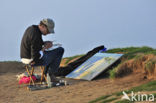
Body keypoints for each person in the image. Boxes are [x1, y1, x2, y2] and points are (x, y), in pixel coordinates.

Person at [20, 18, 64, 83]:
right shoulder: (35, 34)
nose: (48, 33)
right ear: (43, 26)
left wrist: (44, 43)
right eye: (48, 30)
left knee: (49, 53)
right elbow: (36, 55)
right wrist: (45, 48)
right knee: (60, 50)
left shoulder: (32, 29)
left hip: (25, 57)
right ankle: (49, 75)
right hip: (32, 60)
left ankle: (46, 74)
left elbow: (34, 44)